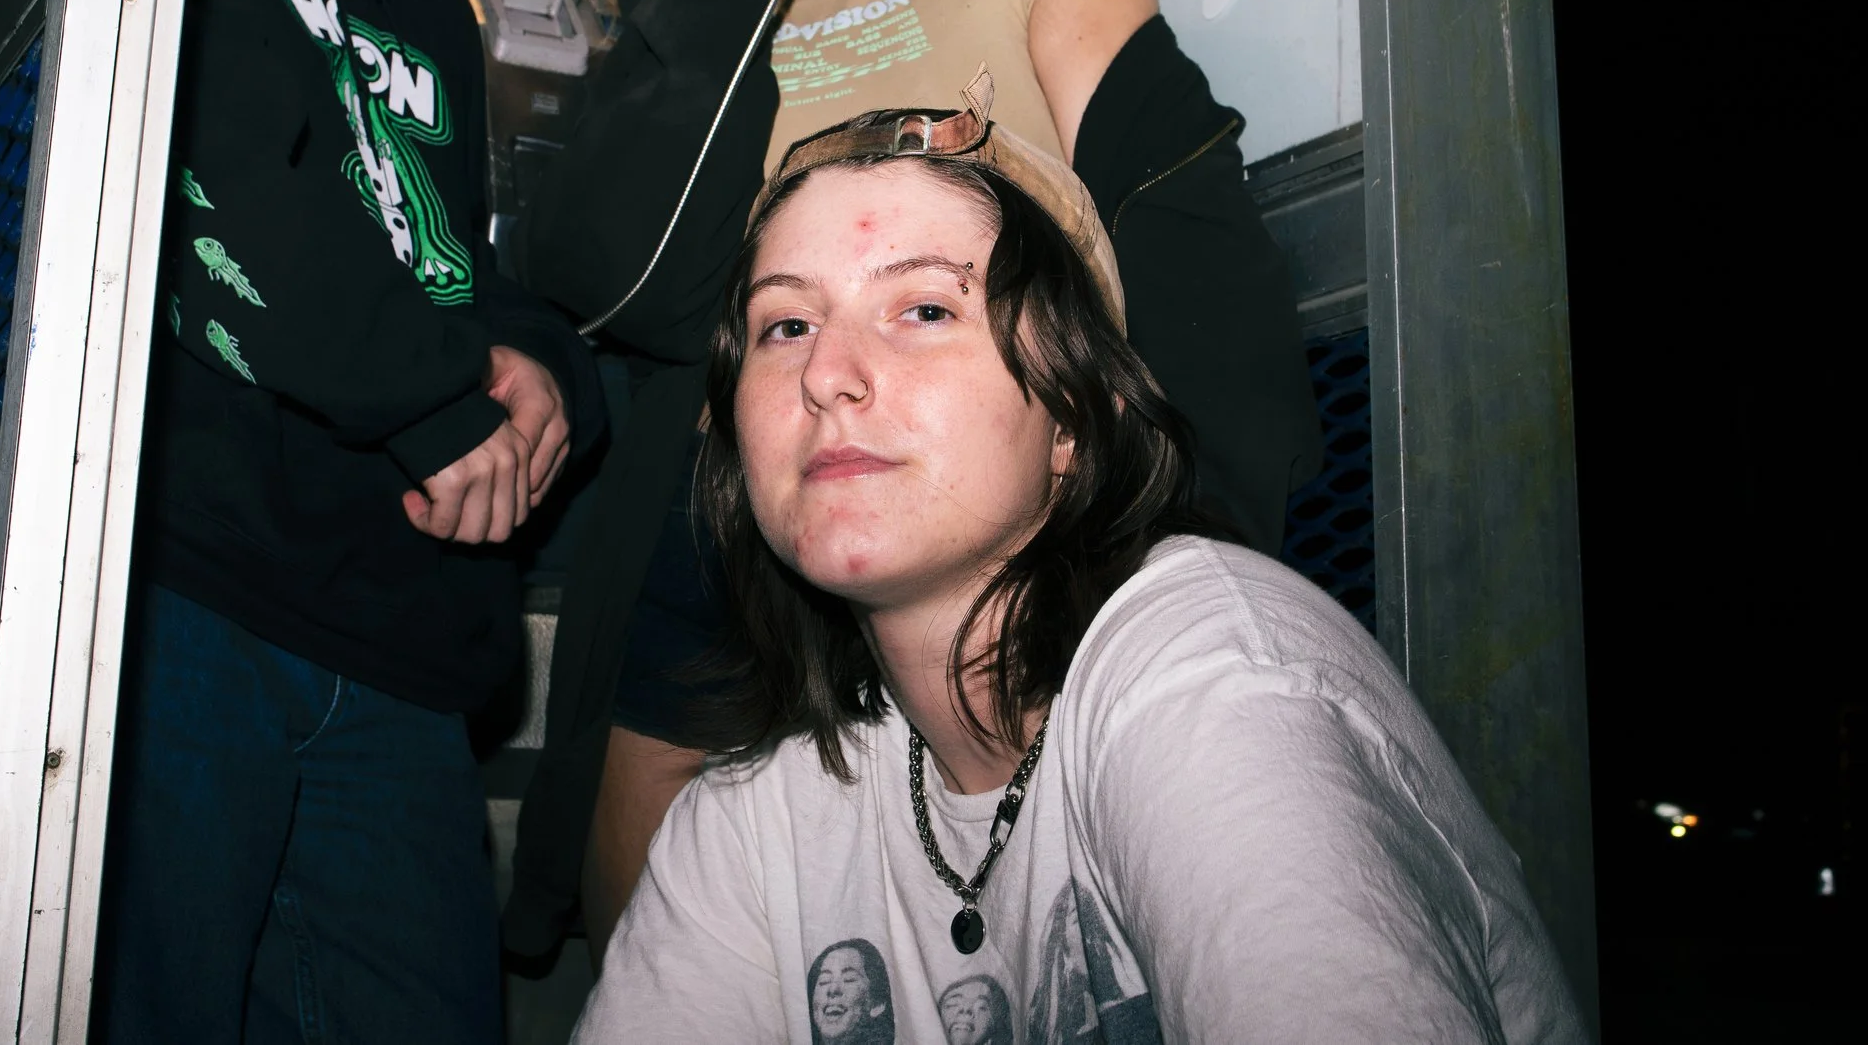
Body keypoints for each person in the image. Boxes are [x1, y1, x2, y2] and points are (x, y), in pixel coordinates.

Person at [504, 0, 1324, 965]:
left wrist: (1189, 545)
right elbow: (631, 287)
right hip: (753, 517)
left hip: (1026, 494)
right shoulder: (683, 31)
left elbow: (1194, 251)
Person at [569, 92, 1589, 1043]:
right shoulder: (757, 818)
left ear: (1073, 416)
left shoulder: (1216, 679)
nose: (827, 374)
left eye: (925, 307)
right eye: (783, 324)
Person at [95, 0, 603, 1042]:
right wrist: (445, 403)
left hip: (398, 653)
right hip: (182, 606)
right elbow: (220, 181)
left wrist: (544, 383)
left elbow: (460, 262)